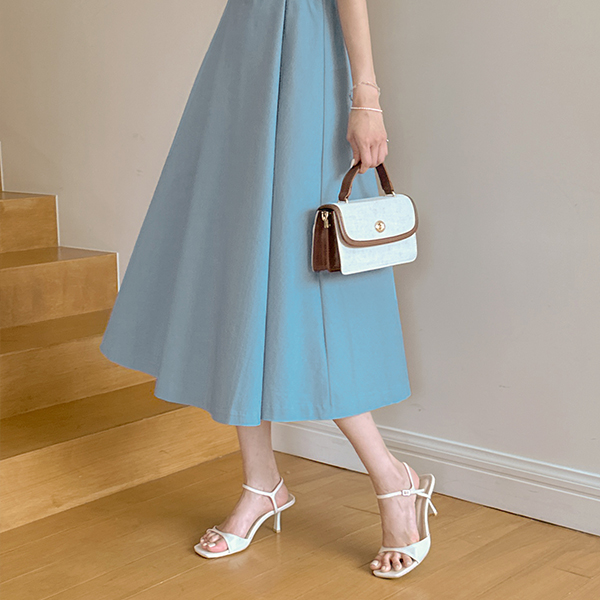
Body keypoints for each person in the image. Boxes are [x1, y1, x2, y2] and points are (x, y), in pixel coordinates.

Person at [99, 0, 437, 578]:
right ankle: (261, 482)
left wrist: (366, 95)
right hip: (243, 57)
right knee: (238, 269)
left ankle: (392, 478)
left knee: (306, 290)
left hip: (307, 56)